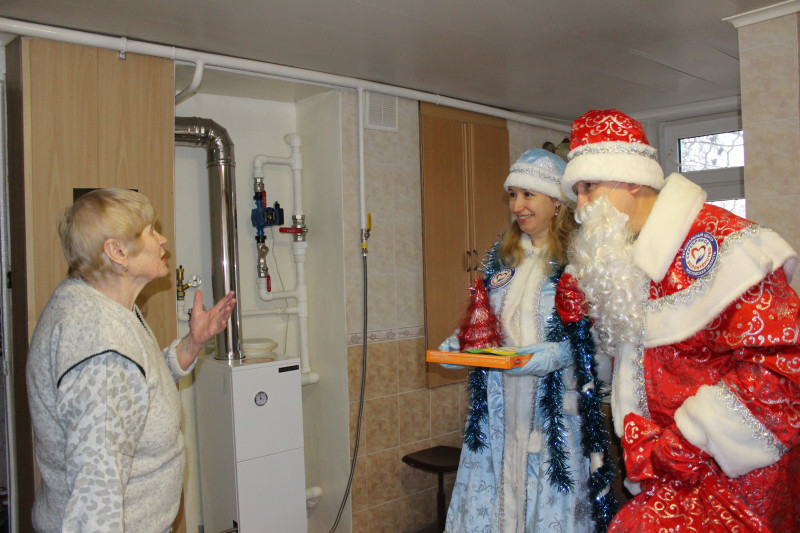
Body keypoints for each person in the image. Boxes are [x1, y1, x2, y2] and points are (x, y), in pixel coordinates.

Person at [559, 109, 800, 531]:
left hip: (737, 482)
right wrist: (587, 323)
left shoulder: (728, 247)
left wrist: (688, 440)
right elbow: (636, 366)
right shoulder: (625, 260)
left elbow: (782, 371)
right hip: (663, 478)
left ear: (632, 181)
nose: (579, 207)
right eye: (575, 192)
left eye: (588, 187)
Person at [26, 188, 236, 533]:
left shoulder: (104, 308)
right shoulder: (100, 344)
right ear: (117, 251)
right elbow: (95, 498)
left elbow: (136, 390)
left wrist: (192, 343)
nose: (162, 239)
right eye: (151, 231)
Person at [440, 148, 616, 533]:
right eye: (513, 195)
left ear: (557, 202)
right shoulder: (503, 263)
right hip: (497, 418)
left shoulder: (582, 264)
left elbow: (603, 343)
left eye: (527, 195)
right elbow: (486, 324)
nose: (517, 206)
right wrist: (461, 345)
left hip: (554, 421)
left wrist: (557, 354)